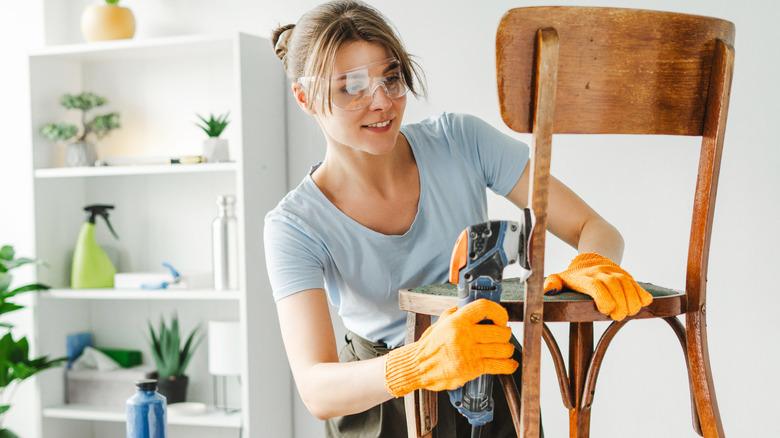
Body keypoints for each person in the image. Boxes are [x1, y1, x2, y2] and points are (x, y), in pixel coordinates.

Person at [263, 1, 653, 436]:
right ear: (305, 97)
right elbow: (317, 389)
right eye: (351, 86)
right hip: (383, 403)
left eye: (391, 78)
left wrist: (593, 263)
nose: (382, 102)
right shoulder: (294, 225)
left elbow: (594, 229)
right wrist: (423, 362)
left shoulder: (460, 141)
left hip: (492, 380)